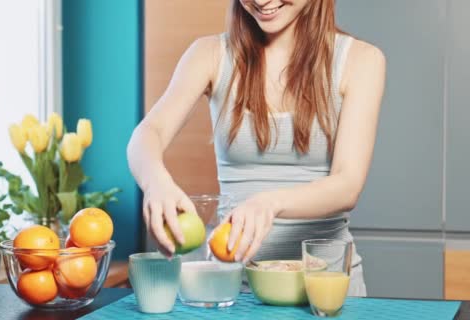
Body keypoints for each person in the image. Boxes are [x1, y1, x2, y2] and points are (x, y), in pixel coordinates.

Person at [127, 0, 385, 296]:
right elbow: (148, 133)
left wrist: (270, 203)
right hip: (235, 291)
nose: (261, 1)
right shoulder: (209, 55)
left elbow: (347, 184)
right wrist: (155, 182)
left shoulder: (361, 61)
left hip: (327, 291)